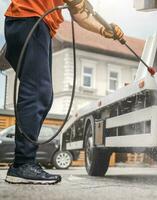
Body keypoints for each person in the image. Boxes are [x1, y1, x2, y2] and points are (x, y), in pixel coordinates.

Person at [4, 0, 124, 184]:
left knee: (42, 94)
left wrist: (103, 30)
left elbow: (78, 11)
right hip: (29, 18)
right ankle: (22, 165)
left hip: (33, 24)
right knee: (37, 91)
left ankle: (23, 163)